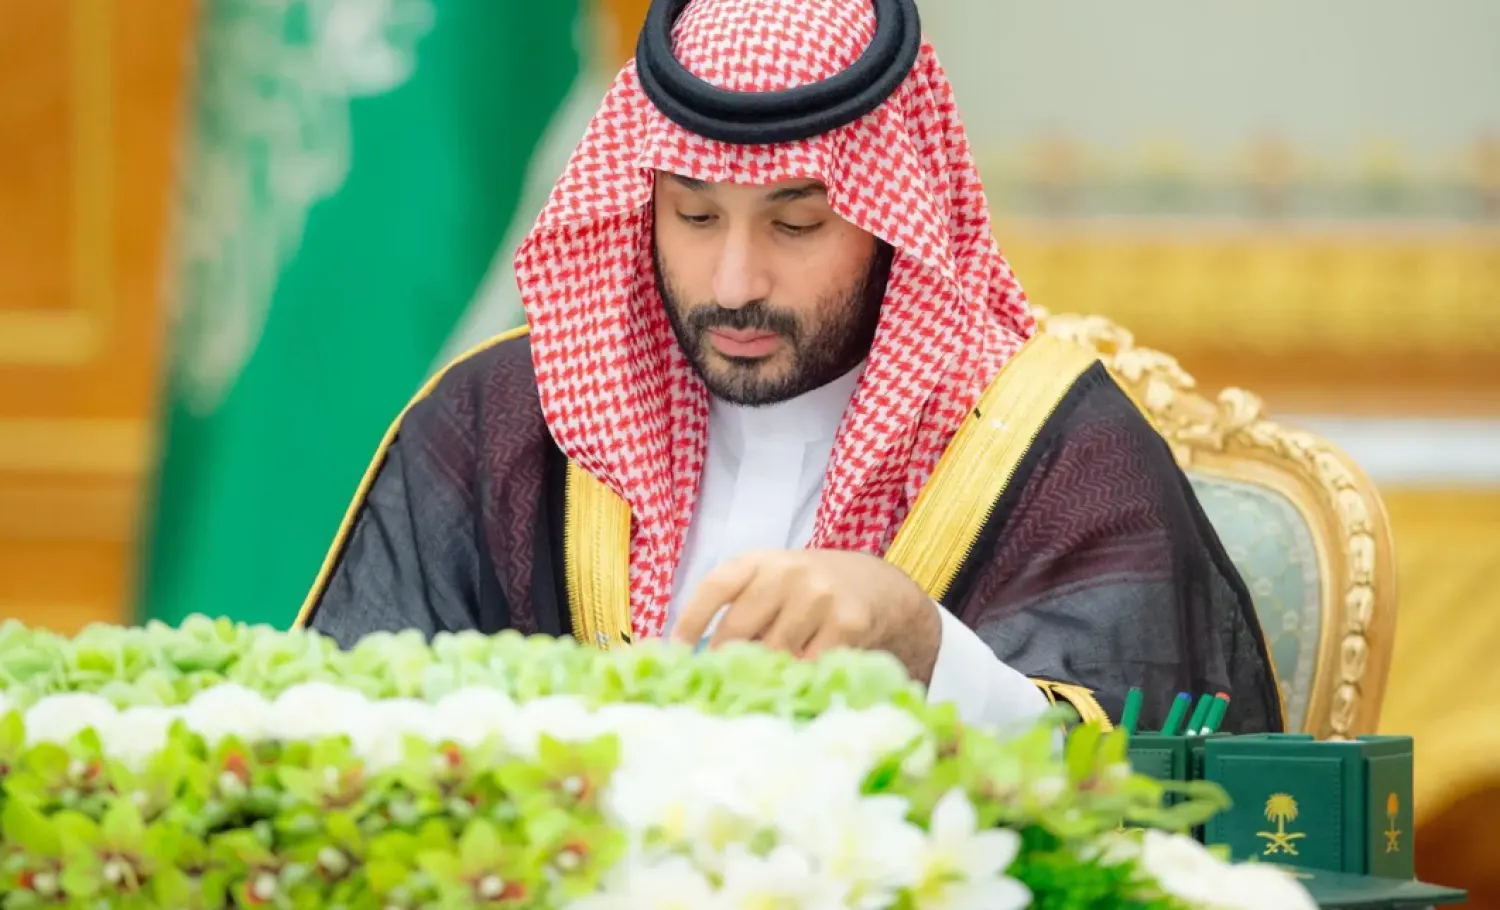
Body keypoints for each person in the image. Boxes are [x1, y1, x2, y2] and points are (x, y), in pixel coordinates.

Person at [294, 0, 1283, 735]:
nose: (734, 282)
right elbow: (336, 733)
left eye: (797, 223)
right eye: (694, 215)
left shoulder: (1054, 449)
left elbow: (1179, 800)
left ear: (891, 217)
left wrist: (931, 653)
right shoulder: (504, 423)